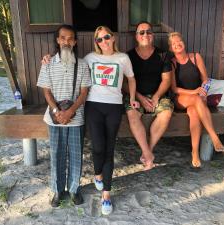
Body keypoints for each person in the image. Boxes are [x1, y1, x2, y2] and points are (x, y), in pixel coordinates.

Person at [84, 26, 139, 215]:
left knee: (109, 149)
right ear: (96, 42)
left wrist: (132, 98)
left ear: (113, 38)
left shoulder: (122, 58)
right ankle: (98, 174)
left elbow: (131, 78)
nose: (104, 41)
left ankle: (106, 195)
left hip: (114, 106)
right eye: (99, 39)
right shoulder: (90, 58)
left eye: (106, 37)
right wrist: (48, 59)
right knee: (97, 147)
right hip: (93, 106)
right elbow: (74, 69)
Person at [37, 24, 91, 207]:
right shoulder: (48, 64)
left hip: (76, 118)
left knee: (76, 155)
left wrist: (70, 112)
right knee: (57, 155)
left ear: (75, 42)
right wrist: (57, 112)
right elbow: (47, 93)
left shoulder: (83, 65)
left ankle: (74, 189)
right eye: (63, 38)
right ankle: (57, 190)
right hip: (54, 119)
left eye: (70, 38)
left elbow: (84, 93)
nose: (66, 41)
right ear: (58, 40)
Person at [168, 32, 224, 168]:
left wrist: (204, 90)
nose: (177, 44)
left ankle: (195, 152)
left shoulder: (195, 57)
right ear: (171, 48)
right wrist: (194, 92)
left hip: (199, 98)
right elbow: (174, 89)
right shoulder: (172, 64)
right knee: (196, 100)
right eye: (174, 43)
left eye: (179, 41)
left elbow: (205, 79)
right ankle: (214, 136)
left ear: (184, 42)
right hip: (181, 98)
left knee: (194, 113)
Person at [124, 21, 173, 170]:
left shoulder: (163, 54)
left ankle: (147, 151)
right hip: (135, 95)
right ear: (136, 36)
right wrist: (139, 97)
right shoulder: (128, 56)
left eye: (149, 32)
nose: (146, 34)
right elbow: (124, 83)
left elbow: (167, 80)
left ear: (153, 35)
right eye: (142, 32)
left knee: (166, 113)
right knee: (132, 115)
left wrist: (157, 96)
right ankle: (147, 153)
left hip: (158, 94)